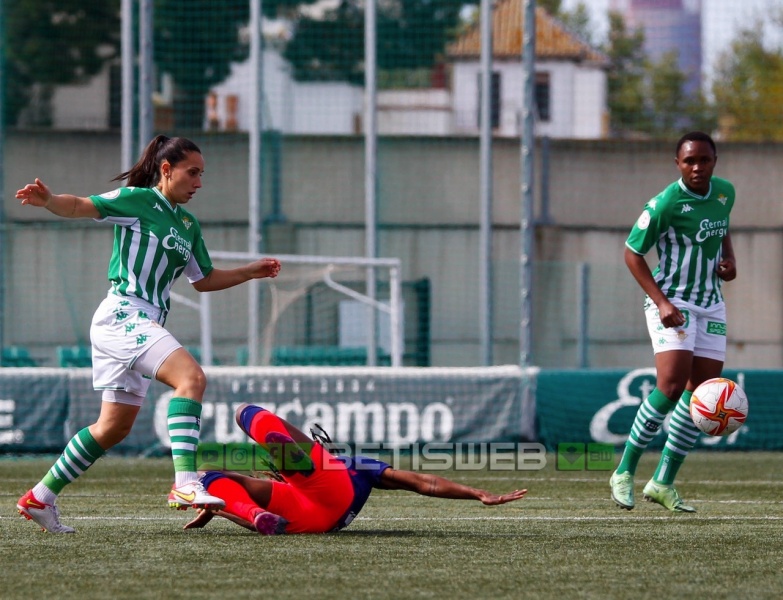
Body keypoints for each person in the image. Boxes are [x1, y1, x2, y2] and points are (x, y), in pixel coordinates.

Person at [15, 135, 281, 533]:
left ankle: (40, 497)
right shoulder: (137, 200)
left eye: (202, 174)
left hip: (143, 322)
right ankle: (186, 484)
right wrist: (51, 201)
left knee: (113, 428)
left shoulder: (188, 225)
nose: (199, 182)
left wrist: (249, 271)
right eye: (193, 173)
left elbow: (203, 280)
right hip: (123, 314)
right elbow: (83, 206)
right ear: (166, 169)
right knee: (191, 379)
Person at [610, 131, 736, 513]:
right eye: (690, 161)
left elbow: (723, 225)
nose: (698, 167)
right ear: (678, 164)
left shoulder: (724, 192)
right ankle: (623, 472)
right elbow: (633, 253)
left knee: (700, 393)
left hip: (711, 304)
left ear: (715, 161)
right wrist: (661, 301)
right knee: (669, 385)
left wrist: (728, 260)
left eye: (705, 160)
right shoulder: (665, 203)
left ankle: (662, 482)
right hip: (673, 301)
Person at [182, 403, 528, 534]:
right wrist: (476, 493)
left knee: (217, 459)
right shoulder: (355, 466)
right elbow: (424, 482)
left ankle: (250, 503)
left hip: (306, 515)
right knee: (208, 474)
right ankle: (253, 505)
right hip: (317, 515)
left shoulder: (351, 465)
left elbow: (423, 482)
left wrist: (223, 508)